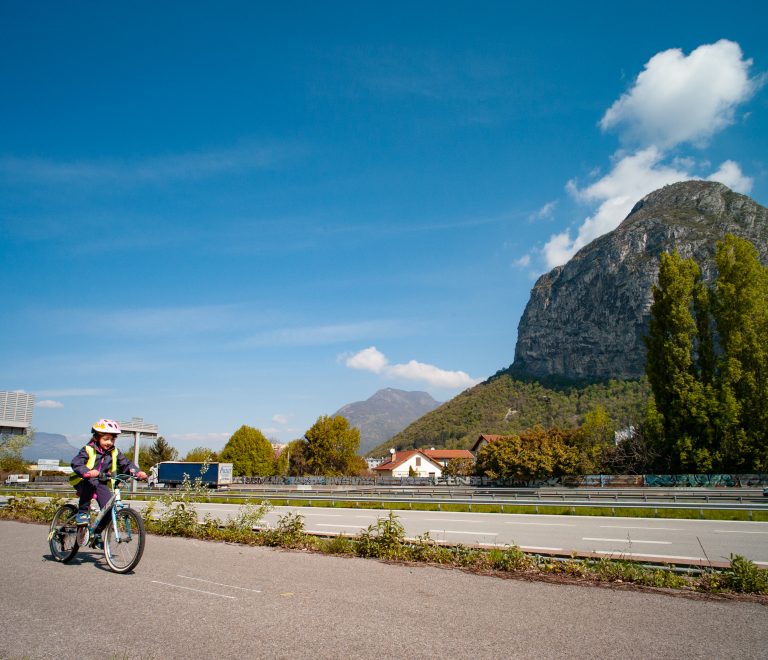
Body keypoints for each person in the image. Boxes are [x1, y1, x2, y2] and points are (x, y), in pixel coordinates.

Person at [70, 419, 147, 546]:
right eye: (106, 439)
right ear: (96, 437)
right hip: (84, 480)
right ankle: (82, 512)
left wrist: (137, 472)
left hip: (101, 482)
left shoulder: (114, 452)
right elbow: (77, 462)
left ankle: (96, 533)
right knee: (90, 483)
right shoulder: (88, 449)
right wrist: (87, 471)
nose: (109, 442)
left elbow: (126, 464)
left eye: (112, 440)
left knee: (108, 509)